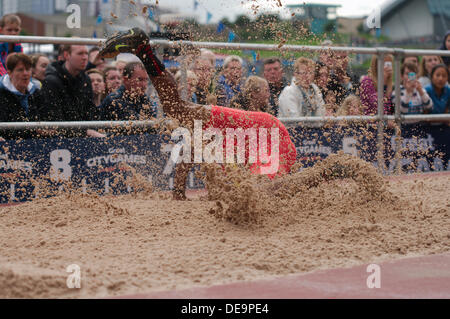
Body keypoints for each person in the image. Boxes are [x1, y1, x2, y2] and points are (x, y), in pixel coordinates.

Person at [97, 28, 297, 199]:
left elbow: (189, 150)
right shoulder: (269, 167)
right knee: (176, 109)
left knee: (176, 110)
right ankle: (143, 50)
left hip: (260, 134)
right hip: (264, 132)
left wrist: (178, 193)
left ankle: (143, 50)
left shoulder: (242, 164)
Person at [40, 44, 102, 137]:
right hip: (60, 140)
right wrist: (86, 132)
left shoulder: (85, 79)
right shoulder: (51, 81)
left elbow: (90, 111)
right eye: (80, 53)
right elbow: (53, 120)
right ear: (66, 55)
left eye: (86, 53)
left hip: (83, 136)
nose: (85, 57)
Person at [0, 53, 46, 140]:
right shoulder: (1, 94)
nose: (25, 73)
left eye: (28, 69)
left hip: (35, 144)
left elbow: (46, 117)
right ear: (9, 73)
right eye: (20, 70)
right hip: (7, 145)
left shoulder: (36, 92)